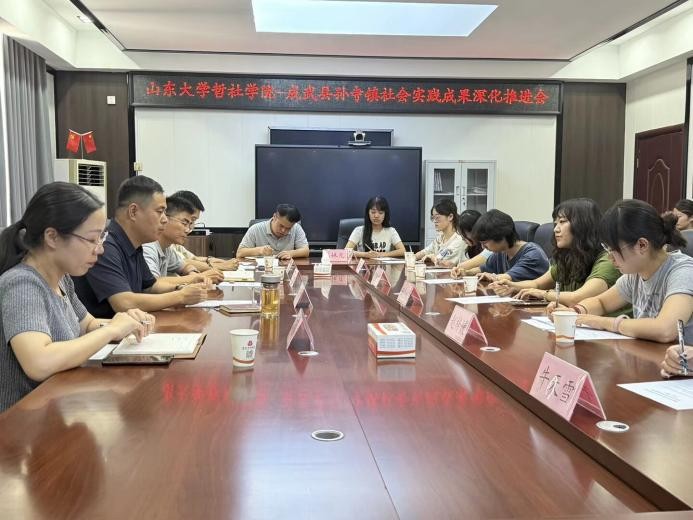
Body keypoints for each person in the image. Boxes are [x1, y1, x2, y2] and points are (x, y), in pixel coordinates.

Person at [0, 182, 153, 412]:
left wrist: (127, 322)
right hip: (22, 422)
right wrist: (111, 330)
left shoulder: (62, 279)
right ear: (52, 237)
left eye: (101, 238)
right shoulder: (22, 284)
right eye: (91, 240)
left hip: (58, 406)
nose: (100, 249)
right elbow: (39, 362)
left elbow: (88, 324)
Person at [558, 199, 693, 343]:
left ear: (642, 245)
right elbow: (601, 302)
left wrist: (603, 322)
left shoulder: (683, 272)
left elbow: (665, 330)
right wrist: (575, 312)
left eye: (613, 249)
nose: (610, 258)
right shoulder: (635, 274)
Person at [74, 176, 208, 318]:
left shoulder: (134, 244)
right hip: (104, 329)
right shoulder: (105, 244)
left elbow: (150, 286)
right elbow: (123, 302)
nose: (165, 219)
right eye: (160, 211)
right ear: (133, 212)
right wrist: (180, 296)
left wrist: (181, 288)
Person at [489, 198, 621, 306]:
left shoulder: (608, 260)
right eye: (555, 223)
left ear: (582, 225)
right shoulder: (569, 256)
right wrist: (512, 286)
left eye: (562, 222)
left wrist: (544, 294)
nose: (556, 229)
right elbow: (537, 284)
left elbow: (577, 298)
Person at [143, 195, 223, 284]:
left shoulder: (167, 248)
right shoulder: (147, 246)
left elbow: (184, 266)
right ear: (164, 219)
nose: (188, 230)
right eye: (184, 223)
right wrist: (196, 278)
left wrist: (193, 273)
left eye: (190, 224)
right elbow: (152, 283)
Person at [466, 209, 549, 282]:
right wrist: (466, 272)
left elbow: (508, 277)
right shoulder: (501, 252)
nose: (483, 247)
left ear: (500, 236)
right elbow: (483, 269)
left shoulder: (532, 254)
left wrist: (493, 277)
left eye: (484, 243)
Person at [169, 190, 239, 272]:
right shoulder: (163, 243)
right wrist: (220, 266)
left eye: (192, 221)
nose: (189, 228)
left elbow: (193, 259)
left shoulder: (173, 244)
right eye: (186, 222)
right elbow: (184, 262)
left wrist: (213, 261)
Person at [236, 204, 309, 260]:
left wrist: (291, 253)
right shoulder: (256, 229)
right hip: (261, 269)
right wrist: (259, 250)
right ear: (274, 216)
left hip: (286, 270)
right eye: (281, 226)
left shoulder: (296, 228)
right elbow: (239, 253)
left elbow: (305, 251)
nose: (283, 230)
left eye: (288, 228)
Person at [415, 199, 465, 267]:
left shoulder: (459, 239)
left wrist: (431, 257)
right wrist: (412, 257)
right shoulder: (440, 237)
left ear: (450, 217)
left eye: (437, 217)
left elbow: (441, 261)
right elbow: (425, 251)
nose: (434, 221)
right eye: (433, 218)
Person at [451, 209, 493, 277]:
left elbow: (483, 258)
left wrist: (459, 267)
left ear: (474, 230)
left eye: (464, 234)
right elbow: (482, 268)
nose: (462, 238)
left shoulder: (490, 244)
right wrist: (465, 272)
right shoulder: (473, 247)